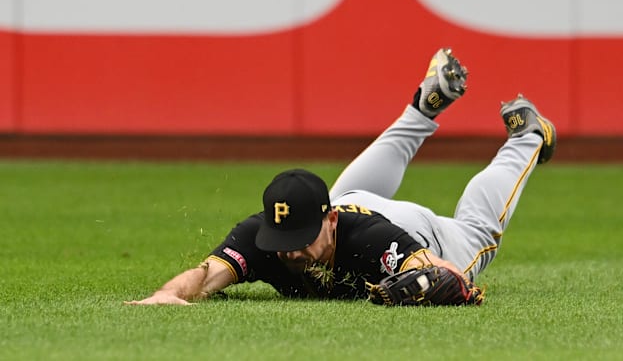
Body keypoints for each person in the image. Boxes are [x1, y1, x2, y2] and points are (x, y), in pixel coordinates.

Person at [124, 48, 556, 306]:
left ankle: (529, 135)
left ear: (329, 221)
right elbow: (204, 276)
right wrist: (169, 294)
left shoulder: (367, 240)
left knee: (477, 230)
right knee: (346, 190)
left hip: (424, 232)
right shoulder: (263, 236)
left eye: (300, 237)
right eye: (284, 237)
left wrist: (440, 281)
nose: (290, 252)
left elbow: (447, 276)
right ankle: (423, 106)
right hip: (353, 198)